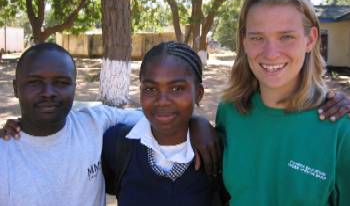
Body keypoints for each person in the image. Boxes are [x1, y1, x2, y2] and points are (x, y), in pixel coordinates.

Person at [0, 43, 218, 206]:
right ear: (16, 88)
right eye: (34, 83)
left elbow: (154, 115)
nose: (48, 93)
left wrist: (197, 122)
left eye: (61, 83)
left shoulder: (94, 124)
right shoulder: (5, 151)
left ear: (75, 86)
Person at [216, 0, 350, 205]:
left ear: (310, 39)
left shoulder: (339, 127)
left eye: (286, 37)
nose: (271, 53)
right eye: (257, 37)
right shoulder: (229, 112)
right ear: (244, 42)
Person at [102, 41, 228, 206]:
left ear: (198, 93)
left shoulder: (219, 151)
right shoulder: (117, 145)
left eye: (176, 89)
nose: (162, 102)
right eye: (150, 89)